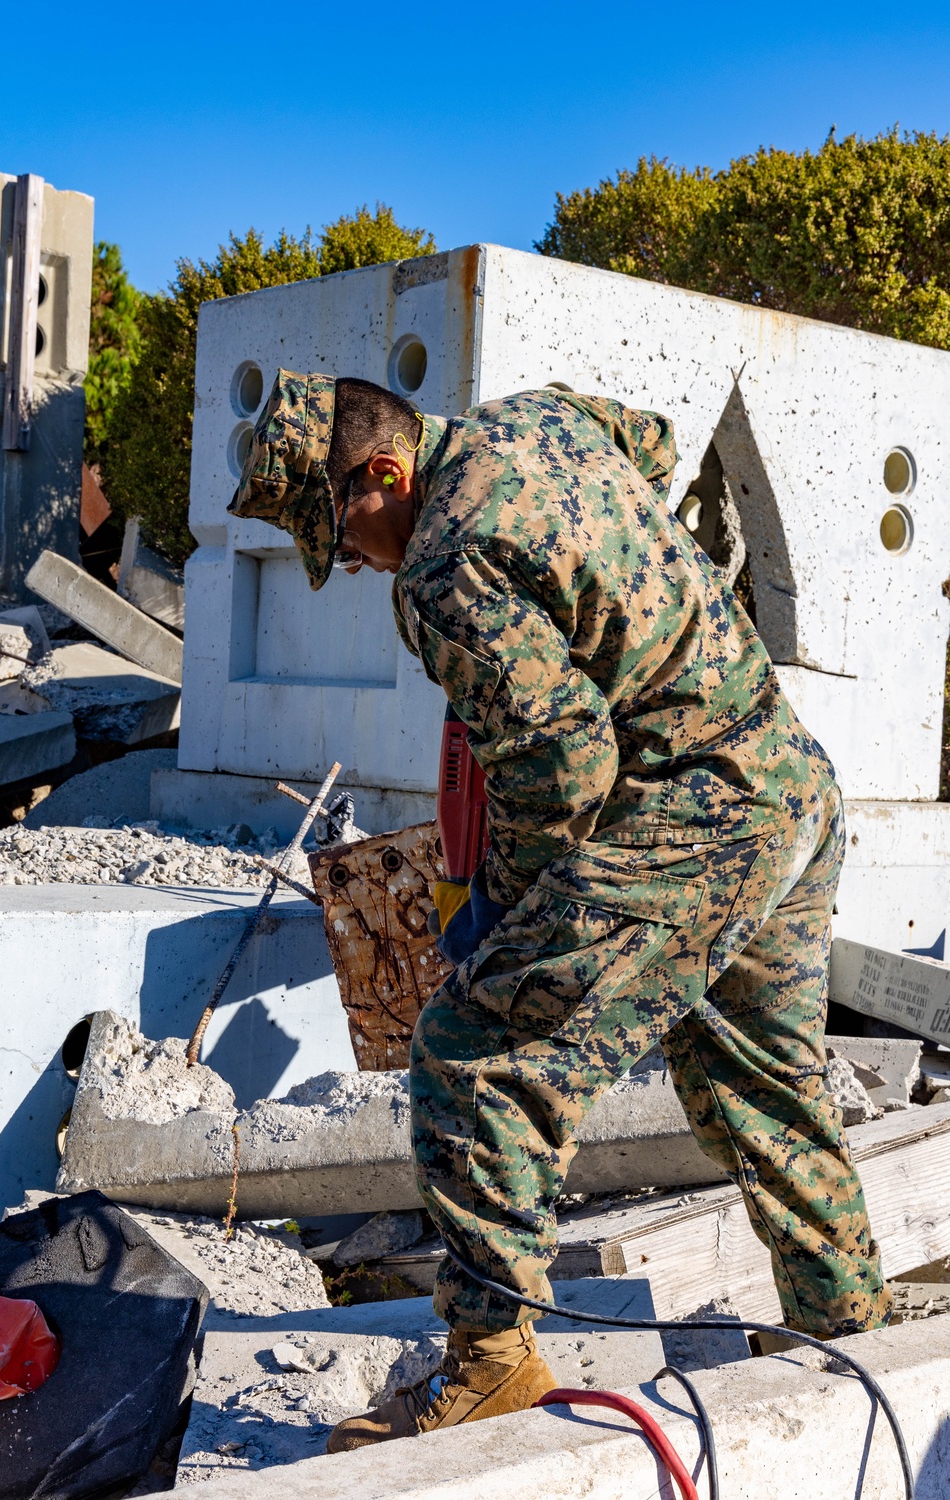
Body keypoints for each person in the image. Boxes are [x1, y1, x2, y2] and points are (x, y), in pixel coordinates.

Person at [229, 369, 891, 1453]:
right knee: (761, 1082)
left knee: (475, 1051)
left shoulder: (441, 565)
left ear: (384, 475)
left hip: (690, 816)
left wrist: (499, 908)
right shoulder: (540, 418)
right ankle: (844, 1331)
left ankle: (491, 1365)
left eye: (342, 539)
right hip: (786, 785)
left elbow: (566, 767)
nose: (351, 565)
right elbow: (657, 443)